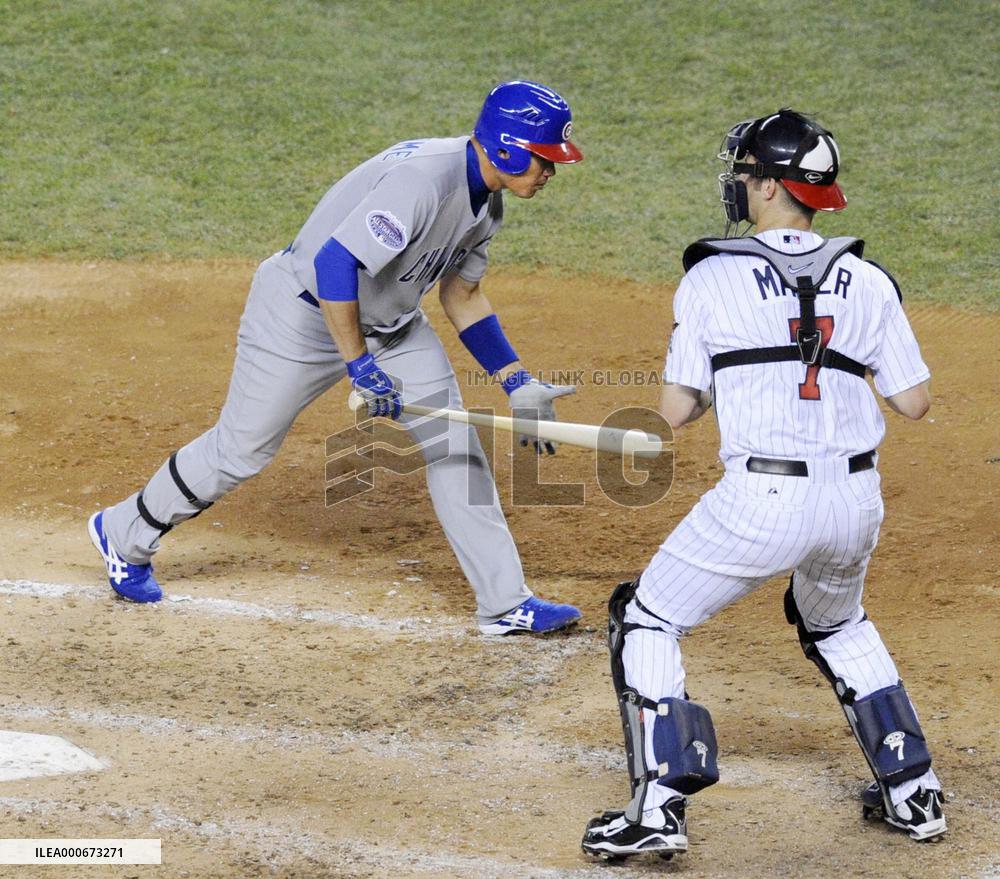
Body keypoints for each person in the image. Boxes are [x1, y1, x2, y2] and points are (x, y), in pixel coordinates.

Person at [88, 80, 584, 636]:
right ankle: (122, 529)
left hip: (393, 325)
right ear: (508, 149)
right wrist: (360, 365)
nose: (550, 173)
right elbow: (334, 265)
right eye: (545, 159)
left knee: (456, 451)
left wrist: (516, 381)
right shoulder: (425, 181)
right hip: (301, 316)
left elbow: (461, 294)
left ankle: (504, 603)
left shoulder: (487, 205)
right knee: (241, 450)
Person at [581, 109, 945, 861]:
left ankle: (659, 805)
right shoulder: (871, 280)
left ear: (774, 186)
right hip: (854, 502)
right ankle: (914, 791)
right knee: (838, 623)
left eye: (746, 174)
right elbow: (913, 401)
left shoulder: (711, 276)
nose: (739, 184)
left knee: (647, 617)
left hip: (762, 502)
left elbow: (679, 411)